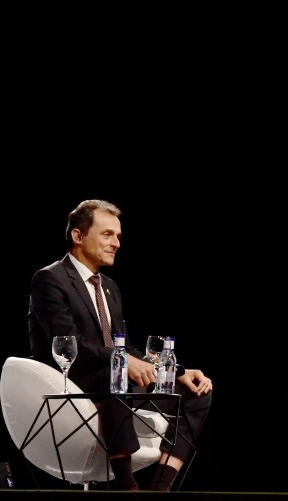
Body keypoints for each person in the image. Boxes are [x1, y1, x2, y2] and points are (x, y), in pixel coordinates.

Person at [28, 199, 213, 491]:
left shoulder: (110, 288)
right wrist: (123, 362)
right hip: (74, 380)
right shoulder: (50, 279)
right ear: (78, 236)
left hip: (113, 379)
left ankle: (160, 488)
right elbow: (67, 344)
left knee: (195, 393)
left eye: (118, 236)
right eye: (107, 234)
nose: (116, 243)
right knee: (115, 373)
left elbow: (125, 349)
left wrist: (178, 372)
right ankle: (126, 486)